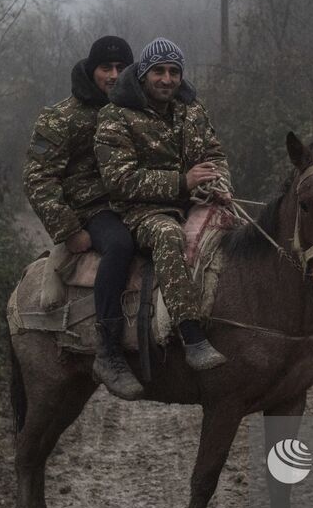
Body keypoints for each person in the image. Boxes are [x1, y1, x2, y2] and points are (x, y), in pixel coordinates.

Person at [95, 38, 232, 371]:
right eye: (159, 71)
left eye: (174, 72)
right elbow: (119, 180)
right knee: (170, 235)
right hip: (141, 212)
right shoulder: (115, 116)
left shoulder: (193, 110)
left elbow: (213, 154)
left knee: (241, 235)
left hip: (192, 202)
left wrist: (220, 185)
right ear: (144, 73)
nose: (167, 79)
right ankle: (191, 335)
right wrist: (181, 183)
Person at [23, 35, 145, 399]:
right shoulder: (62, 117)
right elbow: (37, 178)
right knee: (120, 246)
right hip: (93, 209)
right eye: (105, 68)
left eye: (121, 68)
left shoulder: (140, 108)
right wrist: (69, 229)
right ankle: (108, 350)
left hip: (139, 199)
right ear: (91, 70)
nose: (113, 75)